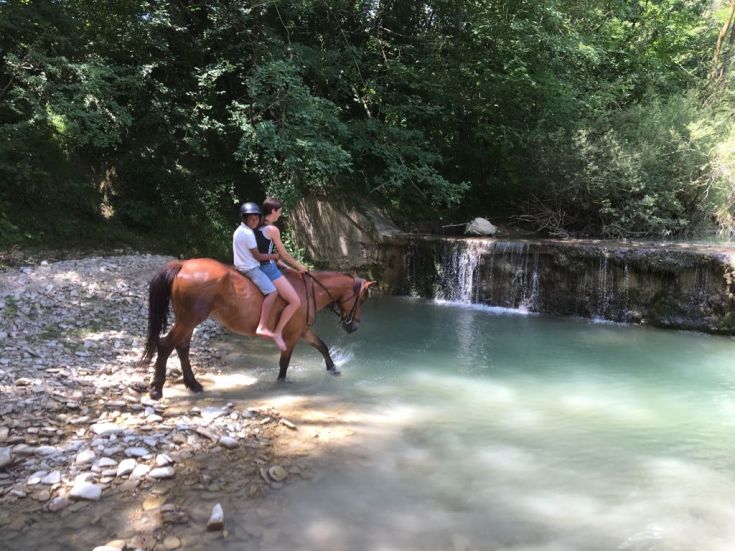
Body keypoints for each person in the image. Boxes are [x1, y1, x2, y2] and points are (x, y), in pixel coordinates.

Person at [233, 202, 287, 352]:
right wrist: (275, 256)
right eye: (251, 218)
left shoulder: (239, 230)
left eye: (257, 218)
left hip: (241, 265)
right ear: (244, 218)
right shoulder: (249, 234)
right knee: (272, 292)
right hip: (250, 268)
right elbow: (257, 256)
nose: (255, 221)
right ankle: (262, 326)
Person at [254, 197, 308, 343]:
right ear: (273, 211)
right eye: (279, 212)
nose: (280, 214)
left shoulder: (257, 226)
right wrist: (299, 266)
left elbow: (268, 253)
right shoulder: (272, 229)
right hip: (268, 268)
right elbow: (283, 253)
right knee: (295, 301)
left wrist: (288, 268)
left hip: (259, 266)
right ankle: (278, 332)